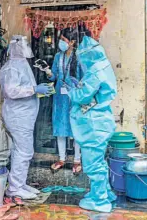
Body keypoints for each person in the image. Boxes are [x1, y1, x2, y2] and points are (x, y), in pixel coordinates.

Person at [67, 35, 117, 213]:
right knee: (99, 161)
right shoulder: (103, 65)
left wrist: (72, 91)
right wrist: (80, 85)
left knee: (92, 164)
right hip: (101, 120)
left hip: (93, 125)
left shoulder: (95, 70)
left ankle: (99, 200)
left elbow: (84, 96)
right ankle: (105, 192)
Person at [0, 35, 53, 200]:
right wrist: (35, 89)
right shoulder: (11, 68)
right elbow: (11, 91)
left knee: (22, 151)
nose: (28, 46)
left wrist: (36, 90)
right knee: (24, 151)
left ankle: (20, 184)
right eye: (26, 44)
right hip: (18, 116)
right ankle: (15, 187)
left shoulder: (22, 64)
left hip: (24, 115)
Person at [45, 28, 83, 174]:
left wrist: (78, 86)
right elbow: (53, 77)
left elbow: (84, 78)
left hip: (74, 98)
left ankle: (77, 160)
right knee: (60, 128)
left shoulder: (78, 57)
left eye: (64, 40)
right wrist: (48, 72)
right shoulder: (57, 56)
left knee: (76, 129)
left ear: (72, 42)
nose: (61, 42)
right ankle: (62, 158)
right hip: (60, 98)